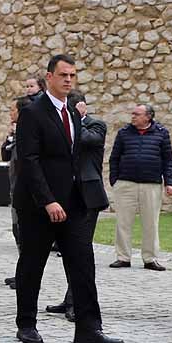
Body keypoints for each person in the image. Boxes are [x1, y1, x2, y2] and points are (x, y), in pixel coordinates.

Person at [12, 53, 123, 343]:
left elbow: (74, 158)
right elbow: (29, 161)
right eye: (63, 75)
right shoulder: (33, 112)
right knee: (32, 263)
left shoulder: (72, 112)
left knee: (83, 263)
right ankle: (26, 324)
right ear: (49, 77)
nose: (69, 80)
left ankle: (89, 328)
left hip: (73, 203)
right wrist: (47, 200)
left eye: (72, 75)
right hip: (38, 204)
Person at [46, 92, 108, 320]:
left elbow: (86, 140)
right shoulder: (63, 127)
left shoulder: (95, 125)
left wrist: (76, 120)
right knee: (67, 251)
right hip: (66, 194)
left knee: (81, 252)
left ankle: (78, 303)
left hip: (88, 196)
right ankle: (70, 298)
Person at [107, 103, 172, 271]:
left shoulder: (162, 133)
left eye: (137, 114)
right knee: (123, 222)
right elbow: (114, 157)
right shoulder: (124, 133)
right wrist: (115, 180)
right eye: (133, 113)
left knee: (151, 223)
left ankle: (150, 259)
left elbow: (168, 160)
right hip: (125, 184)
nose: (133, 116)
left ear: (148, 117)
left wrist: (170, 182)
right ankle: (123, 257)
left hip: (151, 185)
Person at [2, 95, 32, 289]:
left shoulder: (29, 133)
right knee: (17, 232)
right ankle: (22, 273)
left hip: (25, 192)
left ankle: (27, 277)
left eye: (13, 109)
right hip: (15, 190)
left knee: (25, 234)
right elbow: (5, 154)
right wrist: (10, 137)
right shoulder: (16, 132)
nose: (10, 113)